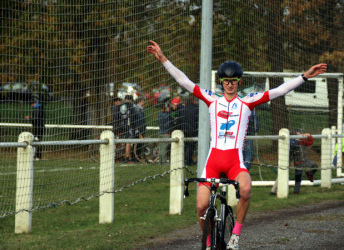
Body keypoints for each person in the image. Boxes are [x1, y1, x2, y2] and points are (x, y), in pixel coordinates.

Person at [147, 40, 327, 249]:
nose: (229, 84)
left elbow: (279, 91)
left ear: (239, 82)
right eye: (226, 81)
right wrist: (164, 60)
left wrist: (305, 76)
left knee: (247, 189)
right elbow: (185, 82)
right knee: (201, 206)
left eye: (233, 81)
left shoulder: (248, 101)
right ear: (221, 81)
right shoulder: (212, 98)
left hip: (235, 161)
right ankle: (208, 240)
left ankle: (235, 236)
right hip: (213, 160)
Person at [181, 96, 199, 165]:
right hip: (193, 130)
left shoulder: (184, 109)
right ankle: (189, 161)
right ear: (194, 101)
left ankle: (183, 160)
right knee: (191, 147)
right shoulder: (196, 108)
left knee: (185, 146)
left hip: (185, 130)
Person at [120, 95, 137, 163]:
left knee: (122, 142)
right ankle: (127, 157)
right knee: (128, 142)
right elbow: (134, 116)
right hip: (129, 125)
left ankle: (121, 157)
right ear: (130, 100)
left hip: (122, 125)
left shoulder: (121, 106)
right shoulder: (131, 106)